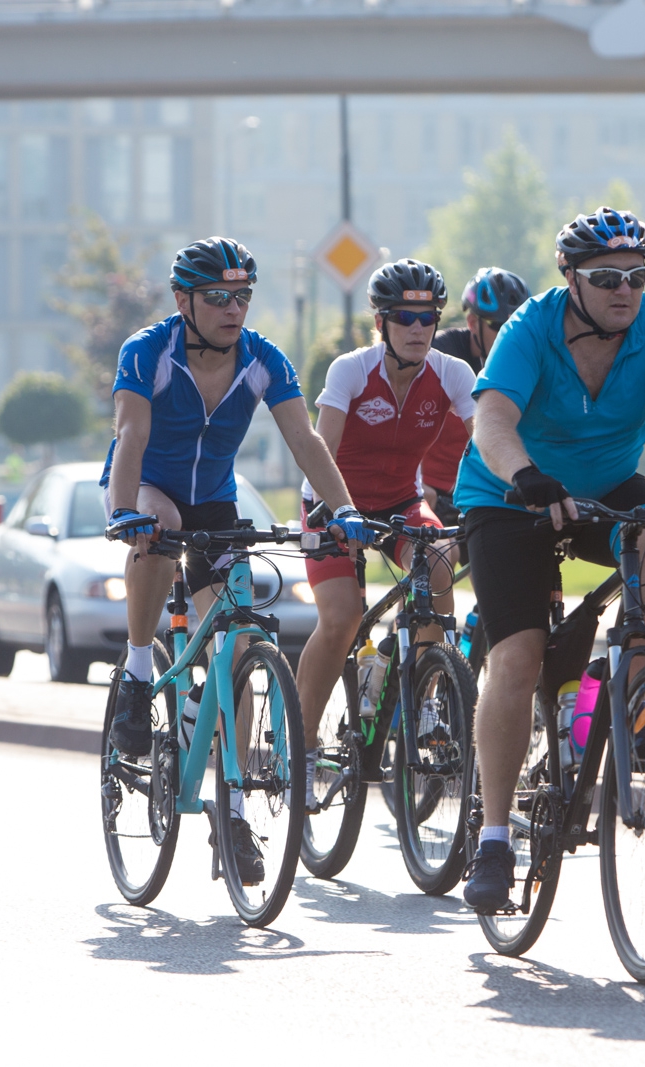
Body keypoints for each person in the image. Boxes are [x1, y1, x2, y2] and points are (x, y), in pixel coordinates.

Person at [455, 207, 645, 913]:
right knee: (519, 657)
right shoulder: (530, 327)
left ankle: (636, 680)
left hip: (606, 490)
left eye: (635, 276)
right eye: (605, 278)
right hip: (513, 495)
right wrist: (524, 474)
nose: (623, 290)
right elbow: (493, 418)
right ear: (570, 277)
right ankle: (496, 836)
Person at [100, 238, 371, 881]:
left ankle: (234, 813)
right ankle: (141, 671)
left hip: (216, 503)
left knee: (239, 648)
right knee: (159, 527)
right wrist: (122, 511)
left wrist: (346, 511)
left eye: (243, 296)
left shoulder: (263, 359)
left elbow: (304, 440)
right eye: (218, 297)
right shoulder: (148, 351)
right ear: (183, 300)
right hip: (149, 491)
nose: (233, 309)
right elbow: (130, 435)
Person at [294, 259, 476, 812]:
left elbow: (487, 442)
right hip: (333, 505)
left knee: (441, 554)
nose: (418, 327)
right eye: (404, 316)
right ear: (381, 323)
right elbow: (321, 450)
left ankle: (424, 696)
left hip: (400, 503)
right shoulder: (351, 370)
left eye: (427, 316)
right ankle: (299, 749)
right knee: (343, 618)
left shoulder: (453, 374)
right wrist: (338, 510)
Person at [419, 267, 529, 526]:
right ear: (472, 323)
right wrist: (416, 484)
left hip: (485, 486)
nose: (509, 334)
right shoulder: (441, 356)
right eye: (499, 325)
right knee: (444, 556)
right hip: (429, 491)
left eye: (516, 326)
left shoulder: (527, 359)